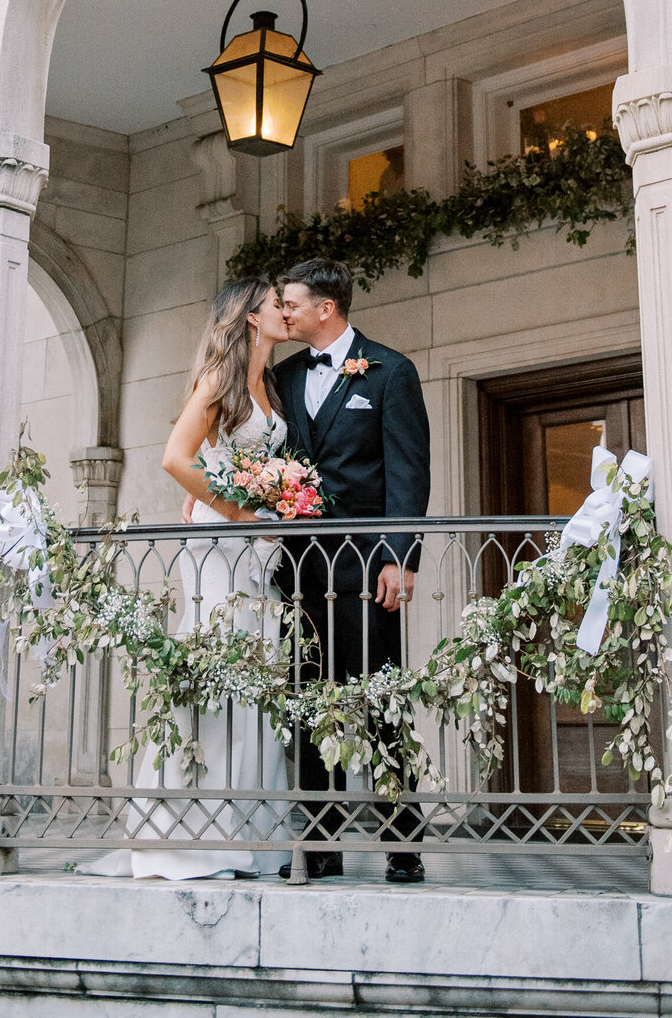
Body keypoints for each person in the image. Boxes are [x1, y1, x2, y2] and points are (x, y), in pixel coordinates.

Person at [81, 278, 292, 881]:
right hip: (219, 548)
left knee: (257, 674)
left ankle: (247, 834)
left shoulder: (268, 385)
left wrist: (276, 503)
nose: (285, 310)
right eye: (276, 303)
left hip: (257, 549)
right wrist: (237, 512)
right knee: (216, 673)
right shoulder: (218, 382)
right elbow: (176, 458)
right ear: (250, 318)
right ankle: (187, 834)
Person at [273, 257, 431, 885]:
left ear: (325, 309)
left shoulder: (391, 370)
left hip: (368, 566)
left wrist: (400, 556)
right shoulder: (281, 377)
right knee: (311, 697)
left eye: (290, 303)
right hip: (302, 566)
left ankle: (403, 839)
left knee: (379, 696)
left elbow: (408, 468)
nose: (283, 313)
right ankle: (320, 839)